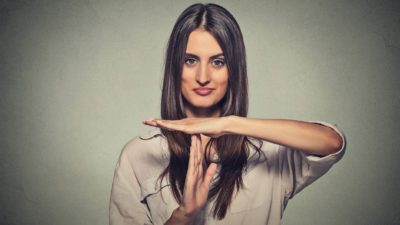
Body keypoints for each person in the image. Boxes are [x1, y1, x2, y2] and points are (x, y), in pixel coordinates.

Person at [109, 3, 346, 225]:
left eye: (218, 62)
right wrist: (183, 217)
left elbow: (331, 142)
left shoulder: (269, 153)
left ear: (234, 69)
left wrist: (230, 123)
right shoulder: (139, 155)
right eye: (190, 60)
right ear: (175, 67)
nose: (203, 76)